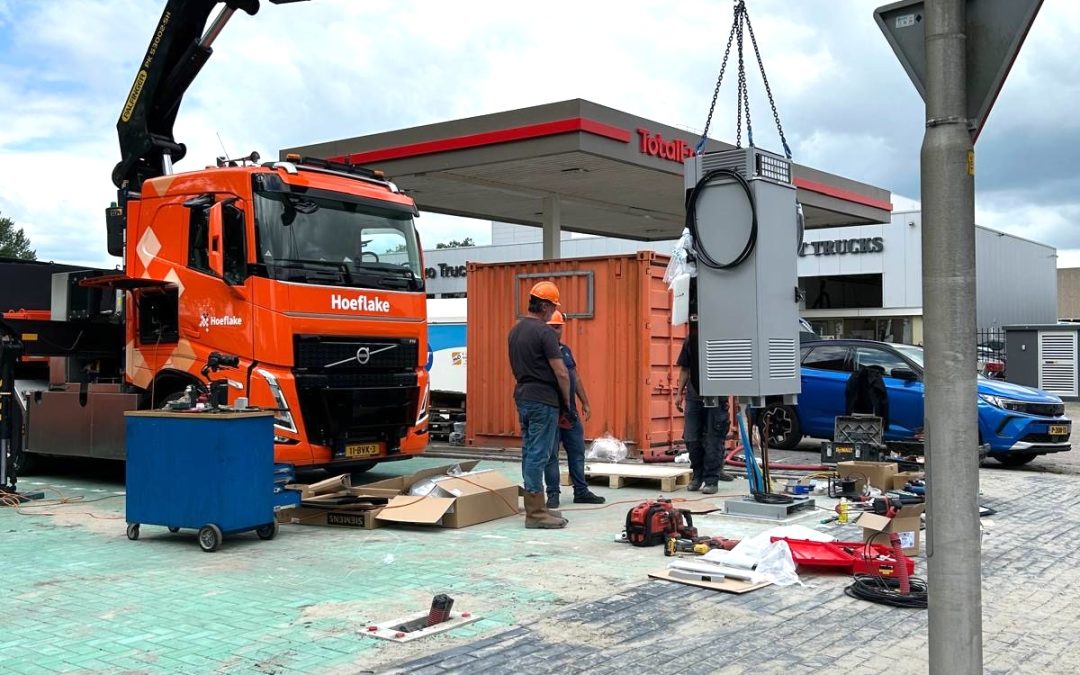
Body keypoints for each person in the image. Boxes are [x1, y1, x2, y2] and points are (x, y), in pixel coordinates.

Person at [507, 281, 572, 529]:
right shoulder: (544, 332)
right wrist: (566, 402)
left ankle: (537, 507)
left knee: (529, 451)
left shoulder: (515, 331)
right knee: (540, 453)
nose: (552, 311)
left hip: (523, 394)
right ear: (544, 305)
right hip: (543, 398)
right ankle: (535, 514)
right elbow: (562, 373)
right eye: (552, 306)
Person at [542, 311, 605, 508]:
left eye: (558, 327)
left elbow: (574, 377)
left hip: (570, 412)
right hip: (551, 411)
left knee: (577, 452)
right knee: (551, 455)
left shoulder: (566, 350)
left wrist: (585, 402)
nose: (556, 331)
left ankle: (581, 491)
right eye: (552, 327)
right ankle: (553, 494)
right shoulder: (540, 352)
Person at [674, 326, 734, 493]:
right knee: (691, 438)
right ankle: (697, 476)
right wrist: (679, 394)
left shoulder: (724, 340)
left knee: (713, 439)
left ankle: (711, 480)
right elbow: (685, 368)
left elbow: (734, 368)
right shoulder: (691, 340)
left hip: (717, 398)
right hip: (694, 397)